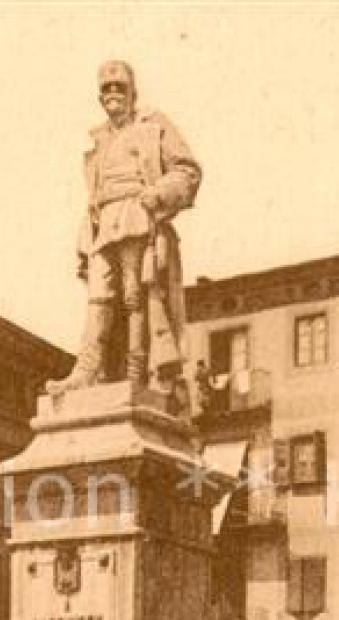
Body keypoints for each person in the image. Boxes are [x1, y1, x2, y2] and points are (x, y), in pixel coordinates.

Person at [48, 60, 202, 411]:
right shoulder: (99, 140)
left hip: (140, 214)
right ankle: (87, 368)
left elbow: (188, 171)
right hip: (104, 223)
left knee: (136, 295)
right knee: (100, 295)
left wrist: (158, 194)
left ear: (133, 92)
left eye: (120, 87)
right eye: (107, 89)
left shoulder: (153, 126)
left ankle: (137, 372)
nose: (113, 94)